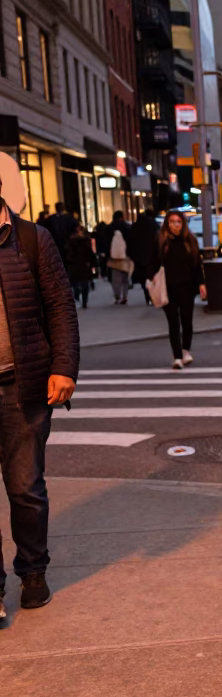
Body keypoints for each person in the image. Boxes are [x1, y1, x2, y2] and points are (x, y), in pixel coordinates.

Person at [0, 190, 79, 614]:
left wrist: (63, 367)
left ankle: (32, 571)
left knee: (25, 488)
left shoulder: (33, 239)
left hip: (21, 385)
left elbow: (61, 307)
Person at [151, 210, 205, 370]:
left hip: (187, 286)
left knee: (187, 321)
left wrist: (201, 283)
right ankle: (177, 357)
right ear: (167, 224)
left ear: (183, 224)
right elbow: (152, 261)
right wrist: (152, 276)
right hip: (168, 287)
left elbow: (196, 264)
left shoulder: (190, 241)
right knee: (173, 321)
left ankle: (185, 350)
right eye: (172, 222)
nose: (175, 225)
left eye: (178, 222)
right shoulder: (161, 241)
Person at [128, 210, 159, 305]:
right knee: (152, 276)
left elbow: (130, 242)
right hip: (151, 255)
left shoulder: (135, 226)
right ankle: (152, 295)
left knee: (143, 278)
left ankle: (148, 296)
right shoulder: (153, 225)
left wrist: (132, 255)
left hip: (139, 256)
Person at [104, 211, 133, 305]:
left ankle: (117, 296)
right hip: (125, 255)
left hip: (113, 257)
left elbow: (104, 242)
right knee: (125, 277)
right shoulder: (127, 227)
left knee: (115, 277)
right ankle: (125, 295)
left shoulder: (108, 228)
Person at [65, 224, 97, 308]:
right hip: (84, 265)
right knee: (84, 285)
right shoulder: (86, 241)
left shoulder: (70, 241)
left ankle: (78, 297)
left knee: (76, 284)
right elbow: (90, 254)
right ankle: (84, 302)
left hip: (74, 266)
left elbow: (67, 254)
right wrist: (94, 264)